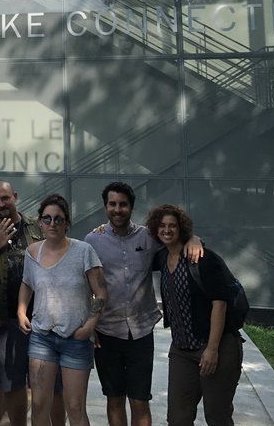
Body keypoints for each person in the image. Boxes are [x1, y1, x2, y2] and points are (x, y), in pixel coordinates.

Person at [85, 182, 204, 426]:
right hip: (107, 332)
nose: (117, 209)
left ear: (131, 207)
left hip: (140, 332)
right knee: (114, 399)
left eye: (123, 204)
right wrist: (90, 324)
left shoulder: (148, 236)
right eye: (112, 204)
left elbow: (175, 238)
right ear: (105, 207)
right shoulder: (92, 240)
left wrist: (194, 238)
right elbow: (86, 285)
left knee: (140, 400)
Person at [147, 205, 243, 426]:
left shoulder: (202, 258)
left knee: (217, 416)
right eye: (162, 226)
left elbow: (219, 304)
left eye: (172, 226)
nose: (167, 230)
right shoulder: (161, 257)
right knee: (177, 419)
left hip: (216, 346)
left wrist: (212, 349)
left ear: (182, 228)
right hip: (181, 348)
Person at [18, 194, 108, 426]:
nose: (52, 224)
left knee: (75, 407)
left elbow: (101, 292)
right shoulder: (32, 252)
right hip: (42, 337)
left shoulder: (84, 251)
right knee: (39, 405)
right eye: (47, 218)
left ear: (67, 222)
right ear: (40, 222)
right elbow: (27, 283)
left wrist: (90, 326)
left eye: (58, 219)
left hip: (76, 339)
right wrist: (21, 311)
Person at [0, 180, 46, 426]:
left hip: (40, 317)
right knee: (11, 383)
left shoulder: (38, 227)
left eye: (5, 198)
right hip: (5, 319)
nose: (1, 204)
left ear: (15, 197)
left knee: (45, 382)